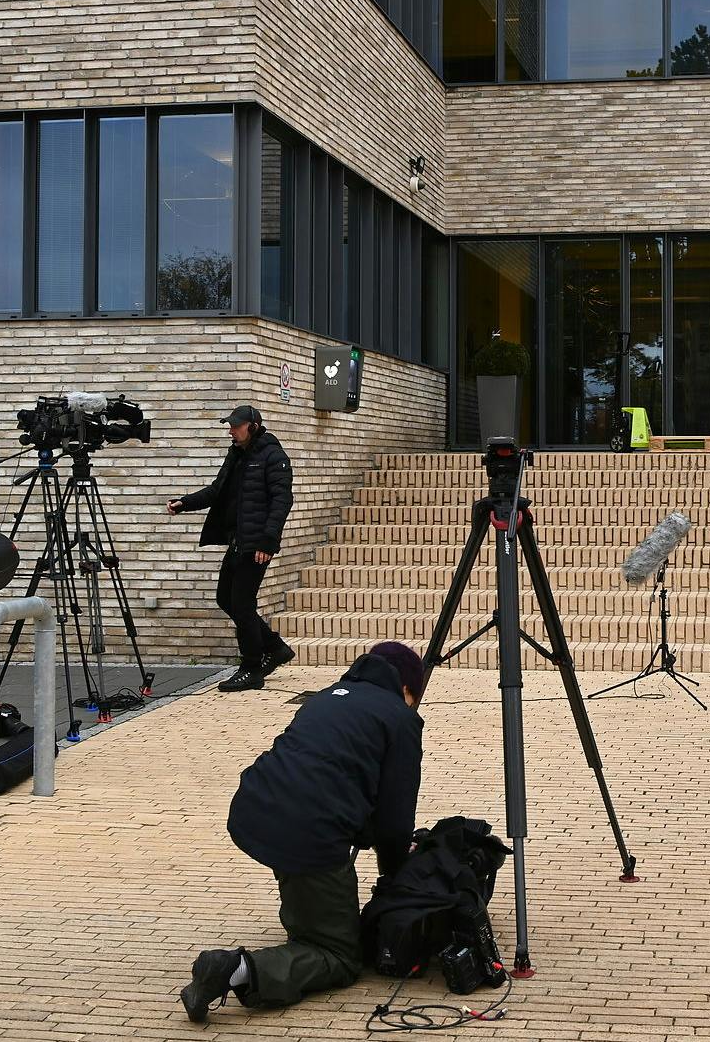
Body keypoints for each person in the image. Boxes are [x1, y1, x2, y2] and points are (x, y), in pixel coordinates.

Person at [180, 641, 427, 1024]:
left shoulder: (328, 696)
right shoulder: (400, 718)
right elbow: (394, 821)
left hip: (255, 807)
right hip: (309, 830)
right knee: (341, 956)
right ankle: (236, 969)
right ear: (408, 689)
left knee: (309, 881)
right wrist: (396, 875)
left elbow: (332, 773)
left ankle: (306, 915)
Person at [167, 404, 295, 691]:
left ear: (252, 426)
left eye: (235, 426)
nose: (231, 430)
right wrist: (184, 503)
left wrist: (268, 541)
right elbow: (217, 490)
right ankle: (275, 648)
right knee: (226, 598)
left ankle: (251, 668)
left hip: (257, 544)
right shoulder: (236, 454)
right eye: (230, 426)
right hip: (238, 541)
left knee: (242, 604)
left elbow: (282, 501)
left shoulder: (273, 456)